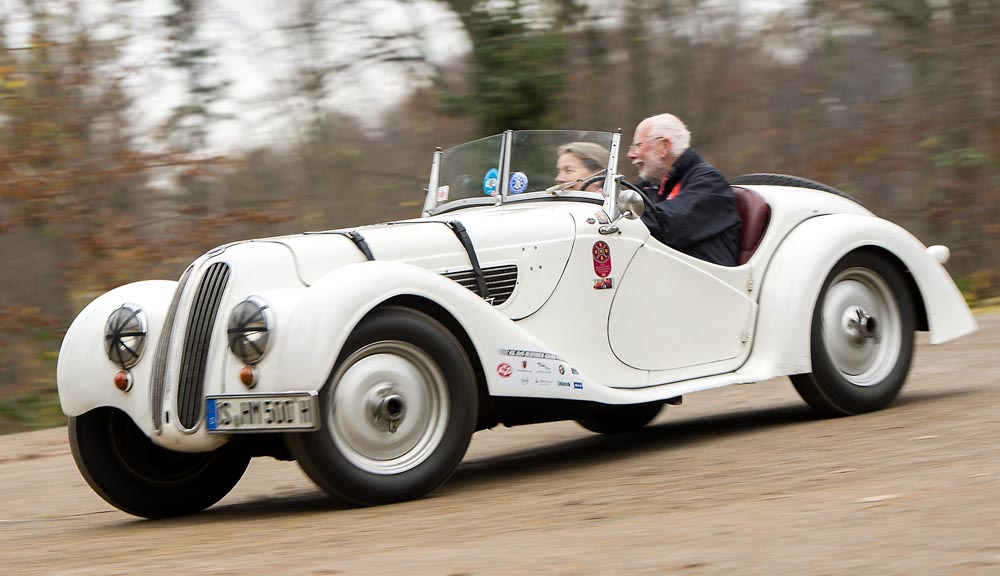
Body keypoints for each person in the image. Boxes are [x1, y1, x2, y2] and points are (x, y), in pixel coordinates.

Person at [627, 113, 741, 266]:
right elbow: (622, 204)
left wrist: (620, 218)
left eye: (638, 146)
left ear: (663, 147)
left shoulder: (710, 183)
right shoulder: (652, 183)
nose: (630, 154)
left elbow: (664, 226)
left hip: (703, 279)